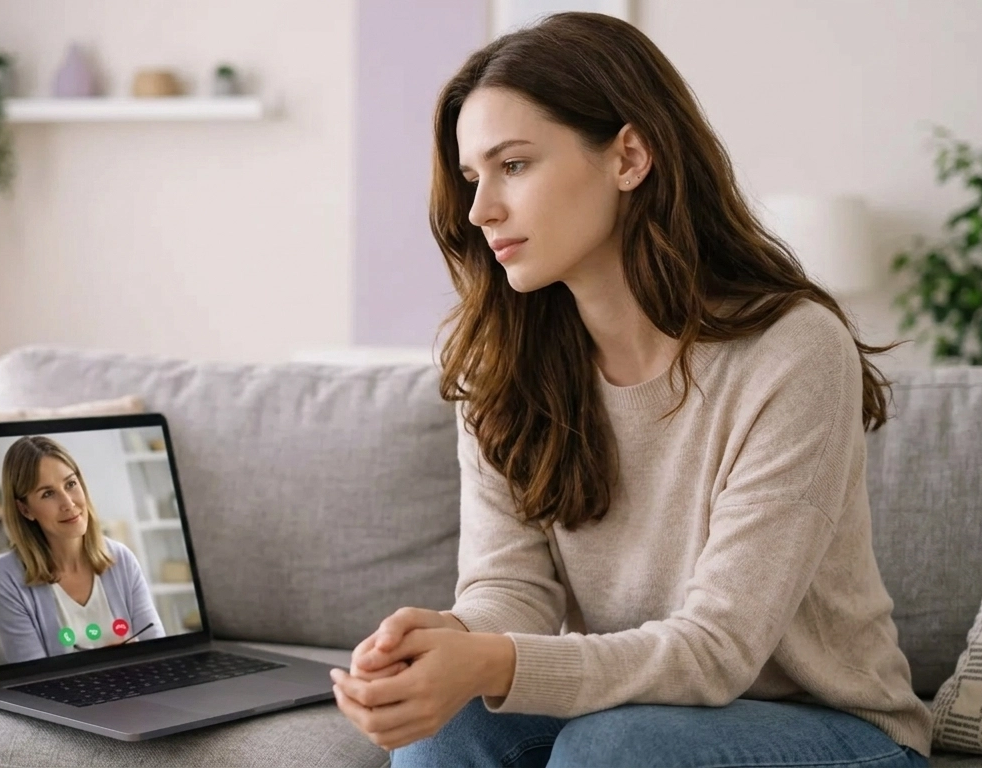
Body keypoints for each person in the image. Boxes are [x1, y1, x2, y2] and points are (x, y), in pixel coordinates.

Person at [329, 12, 931, 768]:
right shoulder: (500, 363)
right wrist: (449, 641)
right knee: (444, 733)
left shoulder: (790, 351)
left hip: (831, 727)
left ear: (630, 156)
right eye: (474, 178)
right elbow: (509, 588)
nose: (481, 210)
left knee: (614, 748)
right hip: (638, 711)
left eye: (513, 165)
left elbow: (718, 648)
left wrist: (493, 664)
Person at [0, 435, 164, 663]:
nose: (68, 503)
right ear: (25, 509)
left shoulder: (121, 558)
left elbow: (159, 650)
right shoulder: (6, 578)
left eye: (70, 484)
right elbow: (33, 680)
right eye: (48, 494)